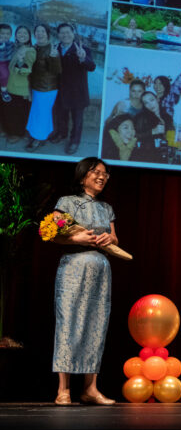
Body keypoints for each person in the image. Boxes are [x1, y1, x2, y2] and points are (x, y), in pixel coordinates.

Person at [51, 157, 119, 406]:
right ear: (82, 177)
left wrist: (110, 240)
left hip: (101, 271)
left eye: (105, 173)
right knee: (69, 323)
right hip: (74, 268)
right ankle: (64, 389)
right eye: (96, 172)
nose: (102, 176)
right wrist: (77, 239)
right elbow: (52, 234)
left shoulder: (106, 208)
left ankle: (90, 388)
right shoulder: (67, 202)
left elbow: (115, 238)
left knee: (96, 325)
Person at [50, 24, 96, 156]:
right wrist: (51, 58)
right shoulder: (55, 48)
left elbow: (92, 67)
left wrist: (83, 58)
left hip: (77, 91)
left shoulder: (83, 49)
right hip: (60, 90)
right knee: (61, 115)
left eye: (68, 32)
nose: (65, 35)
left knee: (77, 119)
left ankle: (75, 141)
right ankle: (62, 134)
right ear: (58, 35)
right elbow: (51, 70)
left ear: (73, 33)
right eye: (62, 33)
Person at [25, 24, 61, 152]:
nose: (39, 33)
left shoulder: (52, 49)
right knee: (39, 113)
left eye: (42, 31)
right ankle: (41, 135)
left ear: (47, 34)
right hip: (36, 87)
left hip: (47, 88)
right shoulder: (34, 47)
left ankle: (38, 139)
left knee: (42, 114)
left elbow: (56, 71)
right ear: (34, 34)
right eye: (37, 31)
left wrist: (54, 58)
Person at [0, 26, 35, 143]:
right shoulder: (14, 47)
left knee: (18, 112)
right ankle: (8, 130)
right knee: (9, 111)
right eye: (19, 32)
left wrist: (20, 62)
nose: (22, 35)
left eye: (25, 33)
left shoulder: (30, 50)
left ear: (29, 36)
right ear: (15, 35)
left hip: (20, 88)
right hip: (9, 85)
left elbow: (27, 70)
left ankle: (18, 133)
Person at [132, 91, 169, 162]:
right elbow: (134, 136)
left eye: (152, 100)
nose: (150, 105)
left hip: (166, 156)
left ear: (157, 99)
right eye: (146, 103)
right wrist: (152, 131)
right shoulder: (141, 118)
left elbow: (173, 134)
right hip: (148, 157)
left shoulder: (167, 116)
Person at [0, 24, 13, 103]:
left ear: (11, 35)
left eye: (7, 34)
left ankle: (4, 89)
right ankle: (3, 90)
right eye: (2, 33)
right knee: (5, 75)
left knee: (7, 74)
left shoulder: (11, 43)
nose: (5, 35)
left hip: (7, 62)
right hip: (1, 63)